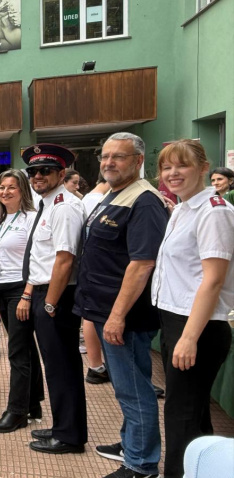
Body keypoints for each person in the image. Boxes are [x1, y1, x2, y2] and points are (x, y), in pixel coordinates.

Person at [74, 133, 169, 478]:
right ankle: (132, 442)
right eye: (105, 156)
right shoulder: (115, 195)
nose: (109, 162)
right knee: (126, 385)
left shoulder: (144, 201)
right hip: (105, 310)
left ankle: (141, 464)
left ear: (138, 161)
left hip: (125, 316)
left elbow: (142, 264)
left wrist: (117, 317)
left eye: (119, 157)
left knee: (134, 390)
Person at [150, 139, 234, 478]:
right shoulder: (184, 208)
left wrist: (188, 338)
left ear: (203, 168)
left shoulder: (214, 211)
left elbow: (213, 280)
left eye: (181, 165)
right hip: (176, 319)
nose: (173, 173)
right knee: (192, 415)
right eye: (166, 167)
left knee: (182, 416)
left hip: (198, 325)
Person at [19, 143, 87, 454]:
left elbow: (64, 259)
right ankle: (63, 426)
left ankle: (69, 436)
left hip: (56, 296)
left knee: (63, 367)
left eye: (45, 170)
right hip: (45, 293)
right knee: (56, 366)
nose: (38, 176)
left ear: (61, 174)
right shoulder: (48, 203)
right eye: (33, 171)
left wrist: (49, 303)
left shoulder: (65, 207)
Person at [0, 170, 45, 434]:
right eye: (2, 187)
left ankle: (17, 411)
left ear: (23, 190)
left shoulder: (31, 219)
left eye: (12, 187)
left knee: (17, 353)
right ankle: (33, 403)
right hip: (1, 289)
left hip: (20, 290)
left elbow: (37, 258)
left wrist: (27, 295)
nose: (5, 192)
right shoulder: (1, 218)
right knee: (26, 349)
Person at [78, 173, 111, 382]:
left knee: (90, 315)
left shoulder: (87, 199)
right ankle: (97, 364)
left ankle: (96, 365)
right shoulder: (99, 201)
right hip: (96, 266)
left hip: (91, 266)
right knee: (92, 316)